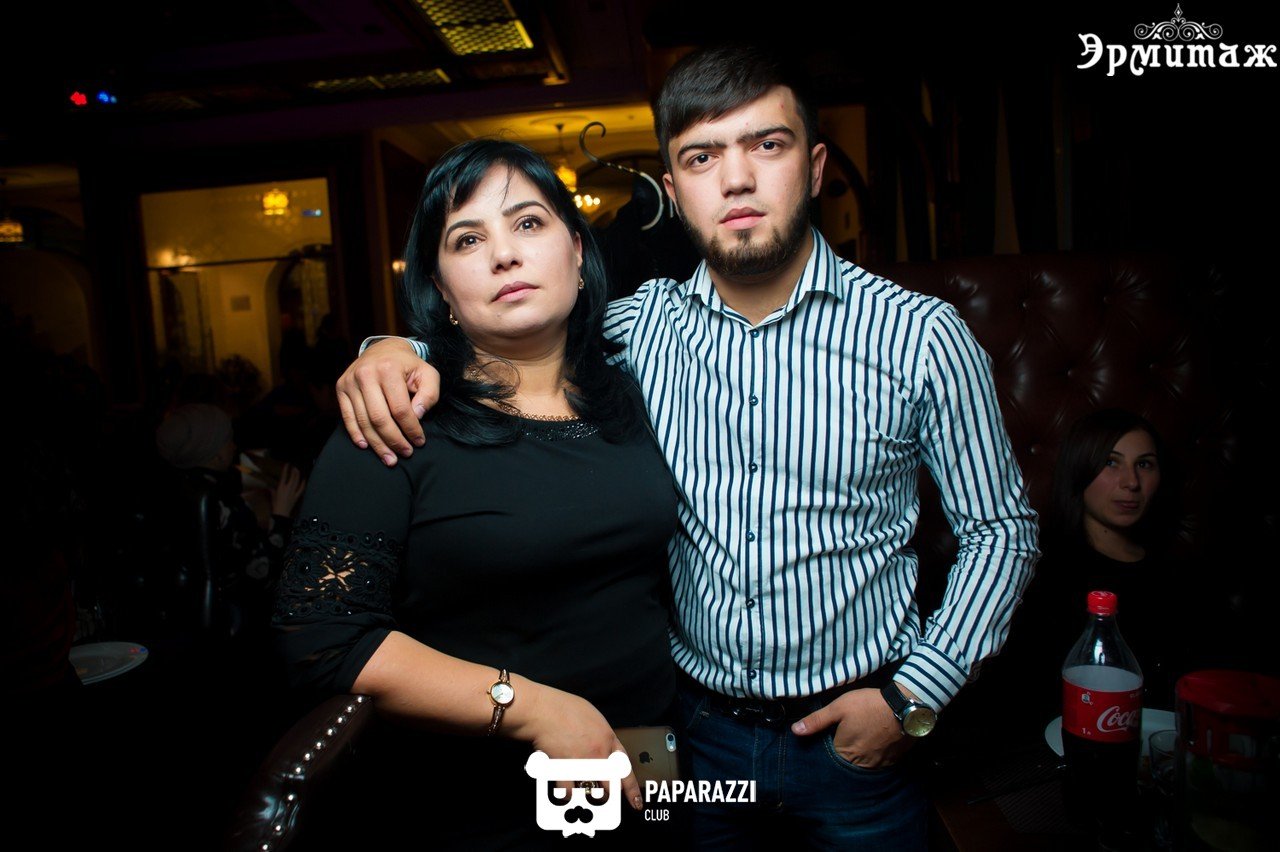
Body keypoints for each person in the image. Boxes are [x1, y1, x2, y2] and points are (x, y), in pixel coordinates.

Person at [335, 45, 1038, 848]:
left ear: (813, 168)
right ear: (672, 193)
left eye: (766, 145)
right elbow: (509, 331)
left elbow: (1001, 531)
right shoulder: (638, 329)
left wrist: (913, 698)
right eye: (702, 157)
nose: (735, 179)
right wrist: (394, 349)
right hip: (689, 734)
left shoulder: (922, 337)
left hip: (860, 743)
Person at [272, 139, 679, 848]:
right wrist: (530, 708)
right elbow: (320, 638)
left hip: (650, 771)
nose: (504, 255)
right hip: (483, 804)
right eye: (468, 239)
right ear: (441, 289)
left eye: (528, 223)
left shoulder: (640, 393)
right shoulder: (396, 422)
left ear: (576, 251)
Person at [1036, 408, 1182, 709]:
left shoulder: (1177, 574)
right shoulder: (1041, 566)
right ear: (1080, 468)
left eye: (1144, 464)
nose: (1131, 482)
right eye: (1111, 462)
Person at [155, 402, 305, 633]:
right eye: (228, 440)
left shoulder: (177, 488)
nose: (234, 446)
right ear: (214, 454)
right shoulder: (218, 501)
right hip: (235, 619)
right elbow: (260, 573)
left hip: (182, 615)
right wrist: (281, 515)